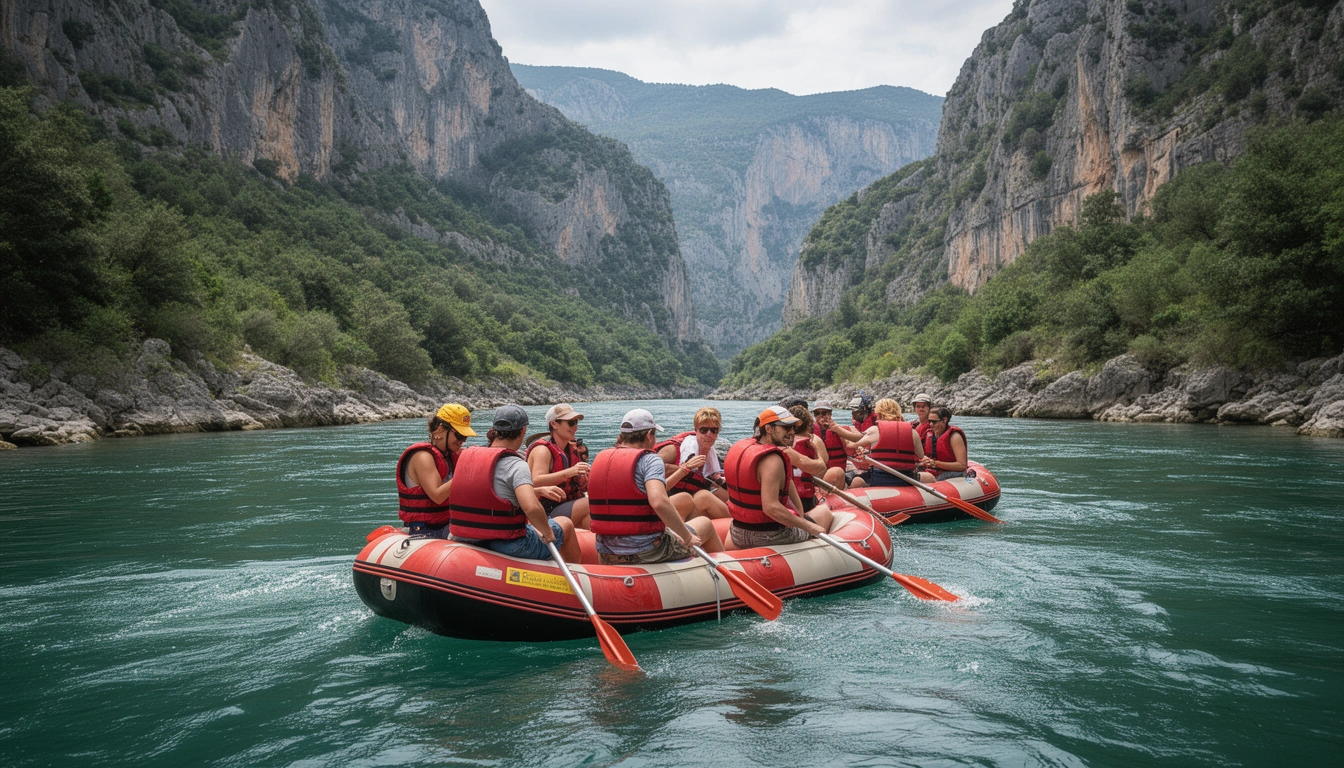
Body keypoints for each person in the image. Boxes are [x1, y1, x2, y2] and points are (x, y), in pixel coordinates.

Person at [588, 408, 725, 565]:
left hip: (605, 552)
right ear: (648, 435)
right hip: (647, 551)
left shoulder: (601, 458)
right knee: (705, 524)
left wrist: (683, 470)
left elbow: (654, 490)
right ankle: (724, 578)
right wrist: (687, 537)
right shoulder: (650, 460)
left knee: (683, 508)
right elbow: (658, 501)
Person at [448, 404, 580, 563]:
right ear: (523, 431)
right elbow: (531, 507)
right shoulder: (516, 464)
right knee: (565, 524)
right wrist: (548, 533)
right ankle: (575, 574)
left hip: (463, 537)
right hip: (507, 543)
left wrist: (537, 491)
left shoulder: (467, 456)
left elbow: (493, 492)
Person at [723, 406, 833, 549]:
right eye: (786, 427)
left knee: (806, 518)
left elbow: (787, 484)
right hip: (770, 535)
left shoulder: (740, 447)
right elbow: (770, 508)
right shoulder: (773, 460)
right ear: (768, 428)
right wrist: (810, 527)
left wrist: (800, 516)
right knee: (824, 513)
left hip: (737, 532)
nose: (792, 432)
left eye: (793, 427)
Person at [396, 403, 477, 538]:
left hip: (445, 524)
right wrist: (465, 472)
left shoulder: (449, 456)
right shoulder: (423, 456)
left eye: (465, 437)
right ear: (440, 430)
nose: (462, 441)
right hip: (425, 530)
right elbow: (438, 496)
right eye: (459, 435)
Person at [657, 406, 730, 520]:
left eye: (713, 430)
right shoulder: (675, 449)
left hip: (695, 495)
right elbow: (654, 469)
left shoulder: (710, 454)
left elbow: (709, 479)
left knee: (730, 498)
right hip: (674, 501)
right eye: (703, 430)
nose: (708, 434)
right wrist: (685, 468)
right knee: (704, 497)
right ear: (696, 430)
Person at [526, 403, 590, 521]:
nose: (575, 427)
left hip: (563, 506)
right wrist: (569, 472)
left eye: (576, 422)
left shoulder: (571, 449)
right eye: (571, 423)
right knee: (590, 504)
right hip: (544, 511)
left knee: (590, 519)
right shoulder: (543, 450)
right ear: (554, 424)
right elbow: (535, 481)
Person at [853, 398, 925, 487]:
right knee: (929, 477)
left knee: (856, 481)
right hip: (907, 479)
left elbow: (853, 445)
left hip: (880, 479)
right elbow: (921, 455)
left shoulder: (875, 430)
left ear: (878, 413)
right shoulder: (913, 432)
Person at [784, 405, 830, 512]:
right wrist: (815, 450)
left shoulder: (778, 444)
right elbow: (822, 469)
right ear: (808, 425)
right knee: (825, 513)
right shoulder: (810, 443)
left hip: (785, 499)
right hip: (804, 500)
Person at [811, 400, 861, 490]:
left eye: (824, 413)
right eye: (817, 413)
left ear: (830, 414)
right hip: (818, 476)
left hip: (837, 476)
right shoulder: (810, 431)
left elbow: (851, 447)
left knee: (858, 481)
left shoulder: (840, 430)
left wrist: (837, 430)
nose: (820, 416)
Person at [918, 406, 969, 481]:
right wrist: (924, 459)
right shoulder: (929, 434)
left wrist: (935, 463)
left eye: (934, 421)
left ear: (944, 420)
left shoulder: (954, 437)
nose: (931, 424)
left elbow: (962, 465)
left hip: (951, 472)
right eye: (929, 421)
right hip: (934, 469)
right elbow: (921, 454)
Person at [845, 393, 877, 488]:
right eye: (853, 410)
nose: (853, 413)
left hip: (872, 458)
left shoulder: (875, 421)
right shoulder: (857, 422)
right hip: (860, 455)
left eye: (856, 410)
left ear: (864, 410)